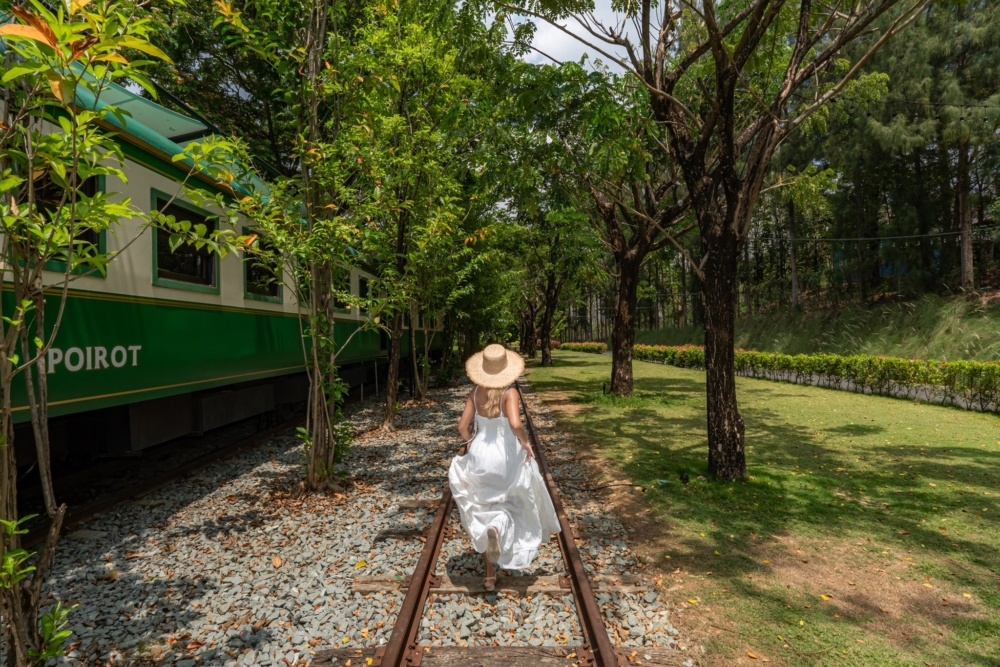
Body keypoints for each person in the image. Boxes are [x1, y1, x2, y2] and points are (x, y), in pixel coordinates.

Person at [448, 344, 561, 591]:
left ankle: (490, 574)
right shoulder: (510, 393)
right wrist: (525, 442)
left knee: (482, 507)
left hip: (480, 455)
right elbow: (515, 424)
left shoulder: (475, 392)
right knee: (513, 503)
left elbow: (461, 427)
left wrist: (470, 442)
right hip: (506, 456)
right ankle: (498, 528)